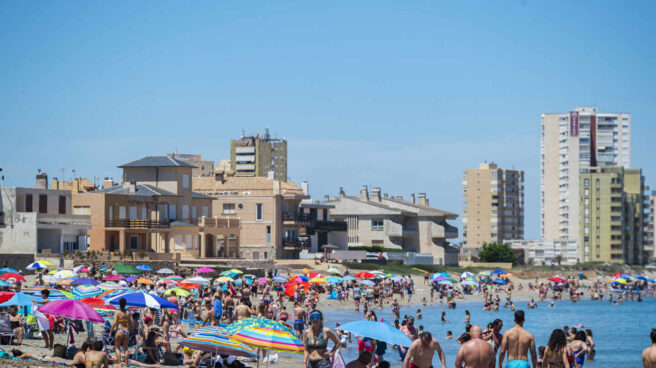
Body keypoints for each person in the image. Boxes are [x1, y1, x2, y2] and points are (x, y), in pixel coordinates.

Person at [111, 297, 134, 368]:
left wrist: (110, 331)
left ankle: (120, 363)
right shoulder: (128, 313)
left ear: (119, 304)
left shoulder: (117, 312)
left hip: (120, 330)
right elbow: (132, 322)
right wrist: (130, 330)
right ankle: (126, 364)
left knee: (117, 348)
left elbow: (114, 323)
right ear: (125, 304)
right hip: (126, 331)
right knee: (126, 348)